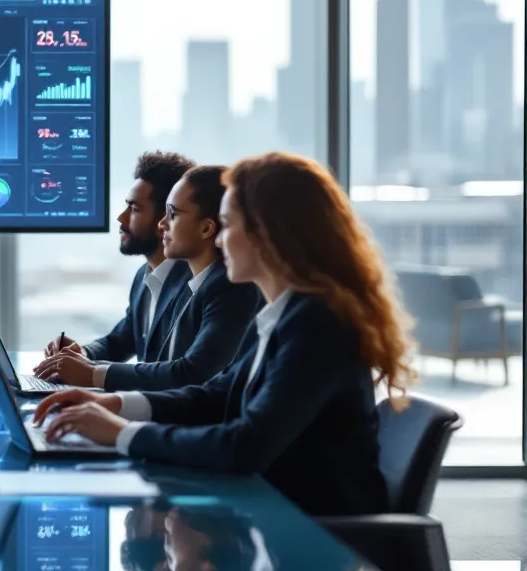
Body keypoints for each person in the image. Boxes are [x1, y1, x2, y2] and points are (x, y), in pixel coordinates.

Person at [31, 152, 417, 516]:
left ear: (269, 234)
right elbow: (216, 394)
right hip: (272, 509)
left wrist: (123, 433)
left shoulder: (318, 324)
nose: (218, 240)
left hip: (317, 532)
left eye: (227, 225)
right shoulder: (282, 314)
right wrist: (115, 404)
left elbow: (245, 444)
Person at [70, 165, 261, 391]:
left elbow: (191, 374)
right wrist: (82, 357)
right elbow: (124, 340)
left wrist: (93, 374)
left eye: (172, 214)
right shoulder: (187, 281)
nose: (162, 225)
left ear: (206, 229)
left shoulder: (225, 286)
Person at [34, 151, 195, 384]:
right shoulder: (144, 276)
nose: (121, 218)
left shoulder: (194, 283)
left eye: (135, 209)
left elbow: (182, 374)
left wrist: (91, 374)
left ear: (165, 218)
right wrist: (80, 353)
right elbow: (119, 341)